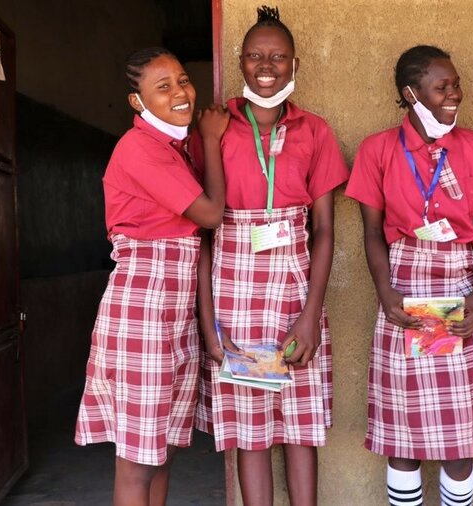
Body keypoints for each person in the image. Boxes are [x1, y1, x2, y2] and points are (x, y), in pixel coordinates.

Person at [194, 6, 348, 506]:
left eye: (278, 56)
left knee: (300, 425)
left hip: (294, 291)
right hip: (233, 289)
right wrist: (210, 323)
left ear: (295, 64)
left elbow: (324, 230)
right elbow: (201, 232)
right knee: (249, 428)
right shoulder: (216, 128)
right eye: (256, 55)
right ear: (240, 62)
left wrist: (310, 316)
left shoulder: (315, 131)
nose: (267, 65)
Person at [75, 46, 228, 506]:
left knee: (161, 452)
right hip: (142, 313)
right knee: (138, 460)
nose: (180, 92)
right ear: (137, 102)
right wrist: (214, 140)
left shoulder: (175, 149)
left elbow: (195, 242)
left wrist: (206, 328)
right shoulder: (140, 148)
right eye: (163, 87)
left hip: (171, 318)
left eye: (182, 80)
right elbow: (211, 215)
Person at [345, 45, 473, 506]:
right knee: (403, 441)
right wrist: (385, 292)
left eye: (456, 84)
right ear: (411, 93)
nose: (455, 94)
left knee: (459, 443)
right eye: (441, 86)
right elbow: (372, 232)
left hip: (462, 295)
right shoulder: (377, 150)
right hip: (404, 297)